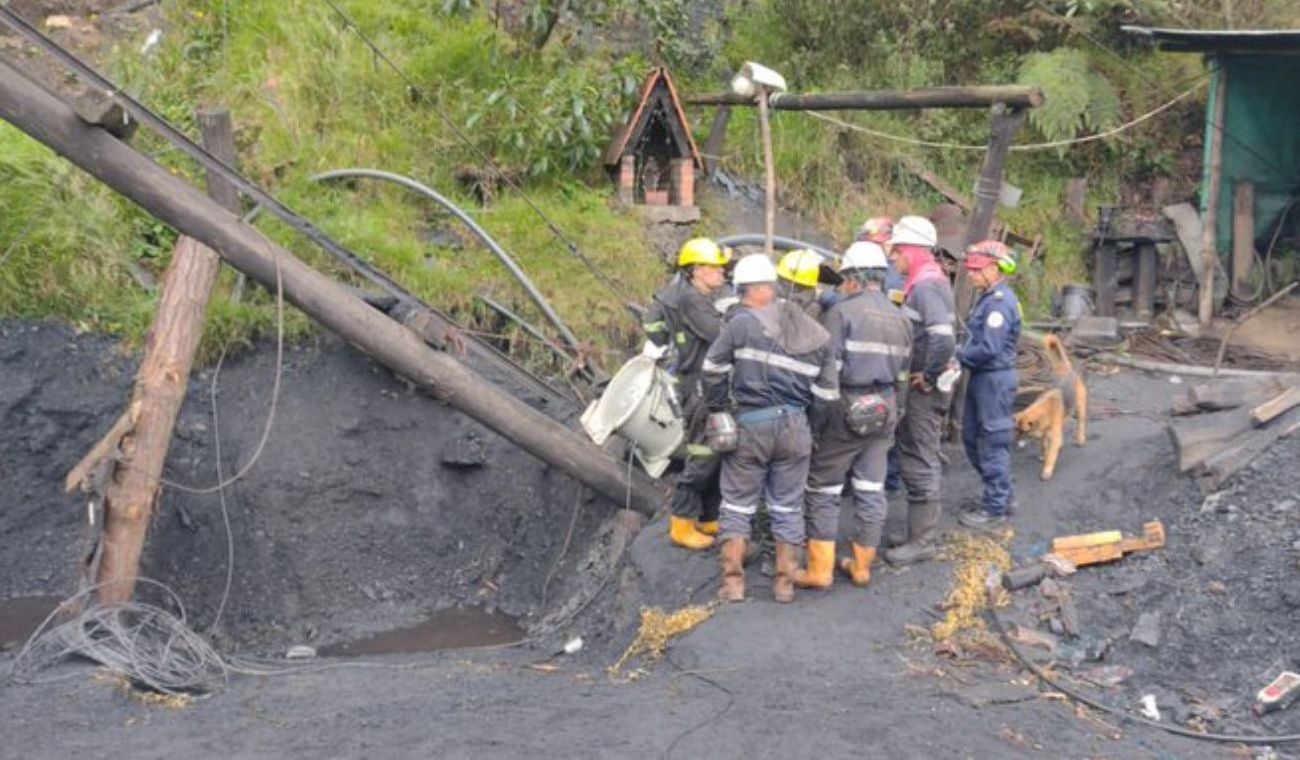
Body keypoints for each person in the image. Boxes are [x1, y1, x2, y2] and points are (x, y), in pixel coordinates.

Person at [702, 254, 838, 603]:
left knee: (736, 504)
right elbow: (827, 396)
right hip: (796, 427)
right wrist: (810, 428)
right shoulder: (818, 334)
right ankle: (784, 585)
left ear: (753, 290)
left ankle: (733, 584)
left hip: (751, 424)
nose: (743, 300)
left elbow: (712, 369)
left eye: (743, 293)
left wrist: (719, 409)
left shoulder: (741, 325)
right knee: (789, 506)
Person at [796, 241, 912, 590]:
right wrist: (897, 412)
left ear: (855, 278)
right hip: (886, 407)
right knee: (871, 487)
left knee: (824, 488)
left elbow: (829, 373)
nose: (843, 284)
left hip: (847, 408)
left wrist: (818, 422)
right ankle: (862, 566)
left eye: (845, 278)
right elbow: (904, 375)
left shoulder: (842, 313)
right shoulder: (901, 317)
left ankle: (819, 571)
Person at [642, 237, 733, 550]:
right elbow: (719, 335)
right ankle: (681, 523)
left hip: (697, 380)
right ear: (697, 270)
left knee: (716, 449)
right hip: (698, 385)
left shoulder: (677, 295)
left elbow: (653, 326)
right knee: (704, 452)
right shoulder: (693, 301)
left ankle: (708, 517)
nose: (722, 273)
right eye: (715, 268)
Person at [882, 216, 958, 566]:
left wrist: (927, 376)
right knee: (913, 451)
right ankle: (916, 532)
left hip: (925, 391)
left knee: (920, 455)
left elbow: (942, 338)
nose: (893, 257)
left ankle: (923, 540)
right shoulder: (924, 280)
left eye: (896, 250)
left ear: (910, 249)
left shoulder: (926, 285)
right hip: (922, 386)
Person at [954, 241, 1022, 530]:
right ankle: (1000, 496)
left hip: (993, 379)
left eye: (976, 270)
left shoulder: (999, 303)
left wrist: (957, 354)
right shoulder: (988, 297)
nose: (970, 275)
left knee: (993, 442)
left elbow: (990, 347)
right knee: (971, 437)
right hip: (983, 378)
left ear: (994, 269)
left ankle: (995, 509)